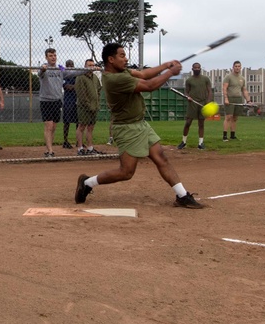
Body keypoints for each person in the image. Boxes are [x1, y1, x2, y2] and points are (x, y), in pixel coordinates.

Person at [74, 43, 203, 209]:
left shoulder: (121, 71)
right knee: (126, 172)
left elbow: (143, 73)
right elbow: (149, 86)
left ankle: (182, 196)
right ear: (111, 59)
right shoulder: (115, 79)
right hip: (127, 128)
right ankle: (87, 182)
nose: (126, 58)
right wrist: (170, 72)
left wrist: (165, 65)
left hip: (140, 124)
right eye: (122, 55)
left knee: (161, 158)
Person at [177, 62, 213, 150]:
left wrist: (207, 102)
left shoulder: (205, 79)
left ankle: (201, 143)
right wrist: (188, 97)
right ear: (192, 69)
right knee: (188, 122)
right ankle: (183, 142)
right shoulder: (189, 80)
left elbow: (209, 91)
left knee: (201, 123)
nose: (197, 69)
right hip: (192, 103)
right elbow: (186, 91)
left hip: (203, 103)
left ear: (200, 69)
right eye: (195, 68)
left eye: (198, 68)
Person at [37, 48, 65, 158]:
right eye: (50, 56)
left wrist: (86, 69)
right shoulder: (44, 67)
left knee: (53, 127)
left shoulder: (60, 68)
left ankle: (48, 149)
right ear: (46, 57)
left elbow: (70, 71)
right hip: (46, 101)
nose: (53, 57)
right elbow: (40, 73)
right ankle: (50, 151)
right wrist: (43, 69)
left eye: (54, 55)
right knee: (48, 126)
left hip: (57, 101)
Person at [75, 58, 103, 155]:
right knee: (81, 126)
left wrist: (97, 102)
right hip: (84, 107)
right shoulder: (81, 77)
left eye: (92, 65)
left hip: (94, 106)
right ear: (85, 66)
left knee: (91, 127)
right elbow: (81, 93)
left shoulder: (94, 77)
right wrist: (87, 104)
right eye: (89, 65)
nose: (91, 67)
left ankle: (90, 147)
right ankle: (80, 148)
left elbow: (99, 90)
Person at [221, 60, 250, 142]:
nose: (237, 68)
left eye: (238, 66)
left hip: (238, 99)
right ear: (233, 67)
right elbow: (224, 88)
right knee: (228, 117)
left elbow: (244, 90)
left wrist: (248, 100)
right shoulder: (228, 77)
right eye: (236, 66)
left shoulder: (242, 78)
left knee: (235, 118)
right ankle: (225, 136)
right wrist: (226, 98)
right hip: (230, 98)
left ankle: (233, 135)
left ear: (241, 68)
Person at [61, 59, 78, 149]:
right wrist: (75, 86)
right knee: (67, 122)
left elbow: (78, 86)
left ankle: (78, 141)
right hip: (68, 101)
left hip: (76, 100)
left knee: (78, 122)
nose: (71, 66)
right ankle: (65, 141)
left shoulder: (76, 75)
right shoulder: (64, 75)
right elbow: (67, 87)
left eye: (72, 65)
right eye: (69, 65)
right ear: (66, 66)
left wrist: (75, 86)